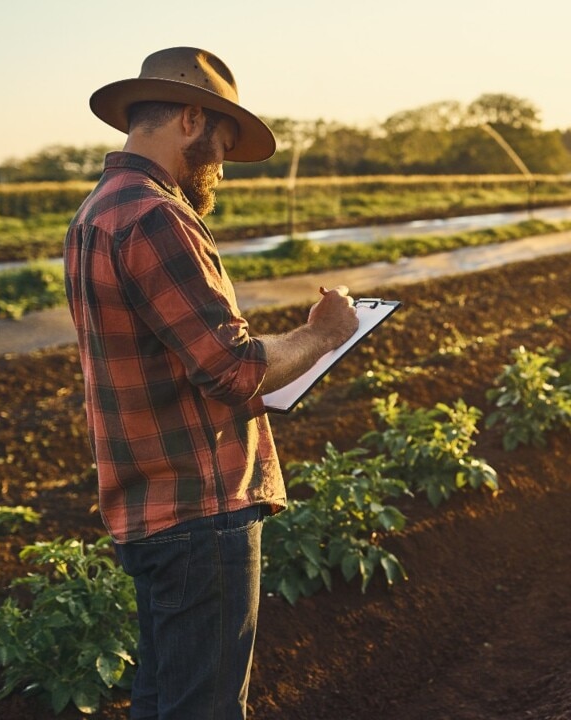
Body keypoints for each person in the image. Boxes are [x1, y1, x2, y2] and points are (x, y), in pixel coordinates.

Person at [64, 47, 359, 718]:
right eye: (221, 147)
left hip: (149, 505)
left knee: (166, 700)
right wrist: (324, 332)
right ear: (192, 119)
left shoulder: (95, 214)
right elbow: (234, 369)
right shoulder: (157, 217)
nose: (221, 168)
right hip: (202, 511)